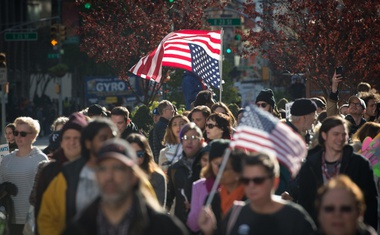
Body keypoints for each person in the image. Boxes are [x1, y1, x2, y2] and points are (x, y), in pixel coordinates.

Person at [63, 138, 188, 235]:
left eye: (118, 168)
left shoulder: (163, 228)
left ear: (133, 176)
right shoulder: (79, 228)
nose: (109, 176)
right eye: (102, 169)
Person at [198, 151, 316, 235]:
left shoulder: (294, 216)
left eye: (258, 180)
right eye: (246, 180)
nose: (251, 186)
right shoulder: (236, 214)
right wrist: (209, 232)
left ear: (274, 181)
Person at [38, 118, 118, 235]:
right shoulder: (66, 175)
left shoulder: (130, 173)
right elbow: (47, 220)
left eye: (113, 138)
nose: (109, 143)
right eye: (103, 138)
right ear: (88, 143)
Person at [297, 115, 378, 229]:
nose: (340, 138)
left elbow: (370, 203)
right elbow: (304, 203)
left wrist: (367, 230)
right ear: (324, 135)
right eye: (335, 134)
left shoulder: (360, 164)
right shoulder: (310, 165)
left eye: (344, 134)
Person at [31, 112, 88, 234]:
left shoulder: (97, 170)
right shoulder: (48, 171)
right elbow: (43, 217)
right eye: (67, 138)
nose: (71, 142)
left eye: (76, 138)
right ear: (61, 142)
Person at [0, 117, 48, 235]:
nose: (18, 137)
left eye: (23, 134)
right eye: (16, 133)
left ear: (33, 136)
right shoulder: (6, 160)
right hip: (9, 219)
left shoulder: (40, 159)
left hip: (32, 220)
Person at [187, 139, 230, 233]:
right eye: (216, 163)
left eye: (223, 163)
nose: (220, 168)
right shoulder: (199, 186)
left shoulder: (240, 188)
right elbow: (193, 225)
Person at [166, 123, 205, 226]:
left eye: (193, 137)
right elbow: (168, 198)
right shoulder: (174, 169)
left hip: (204, 224)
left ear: (201, 141)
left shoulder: (207, 167)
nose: (189, 141)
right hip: (181, 225)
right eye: (186, 138)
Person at [126, 133, 167, 207]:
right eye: (131, 153)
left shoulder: (157, 177)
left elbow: (159, 208)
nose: (136, 158)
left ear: (146, 154)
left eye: (140, 154)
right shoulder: (119, 176)